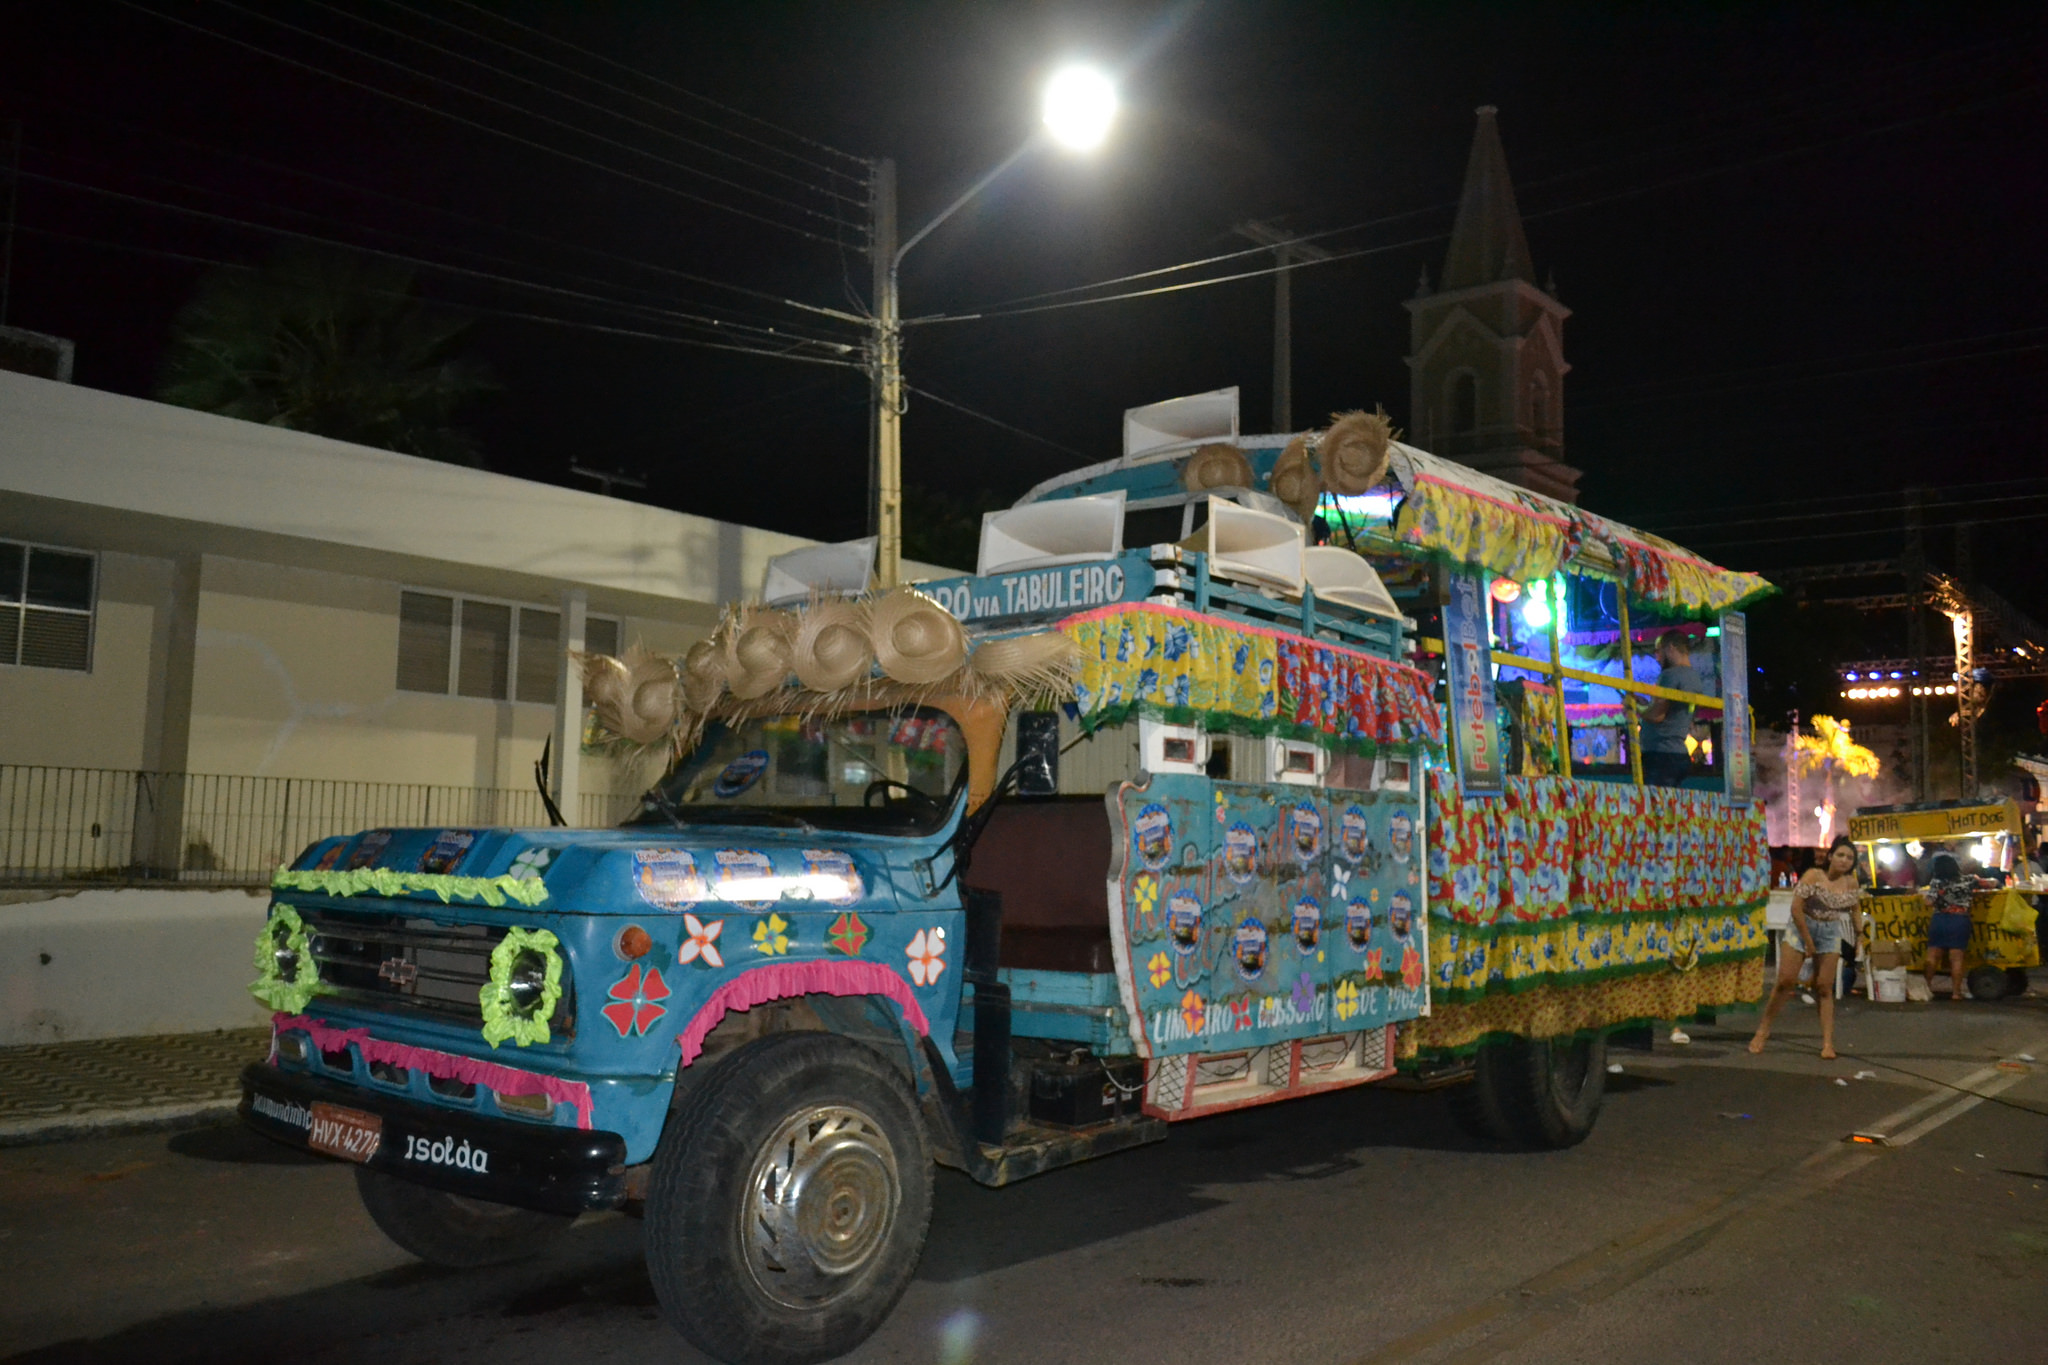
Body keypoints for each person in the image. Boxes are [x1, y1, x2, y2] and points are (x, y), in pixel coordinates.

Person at [1749, 834, 1860, 1059]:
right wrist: (1808, 941)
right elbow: (1796, 909)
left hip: (1829, 931)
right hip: (1801, 928)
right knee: (1785, 981)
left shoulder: (1851, 882)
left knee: (1824, 987)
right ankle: (1763, 1030)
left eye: (1849, 857)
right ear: (1830, 857)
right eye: (1840, 855)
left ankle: (1827, 1043)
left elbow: (1855, 908)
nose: (1844, 860)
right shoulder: (1813, 876)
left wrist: (1860, 936)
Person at [1639, 629, 1714, 788]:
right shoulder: (1694, 677)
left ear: (1670, 648)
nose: (1656, 657)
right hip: (1678, 753)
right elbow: (1672, 712)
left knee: (1656, 806)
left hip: (1661, 755)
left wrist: (1635, 707)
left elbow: (1658, 716)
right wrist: (1645, 704)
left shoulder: (1670, 675)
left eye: (1658, 651)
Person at [1921, 851, 1975, 1001]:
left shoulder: (1936, 882)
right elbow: (1992, 883)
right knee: (1956, 959)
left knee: (1932, 956)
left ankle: (1927, 988)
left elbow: (1929, 902)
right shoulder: (1969, 880)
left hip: (1940, 920)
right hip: (1959, 921)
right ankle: (1956, 993)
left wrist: (1924, 896)